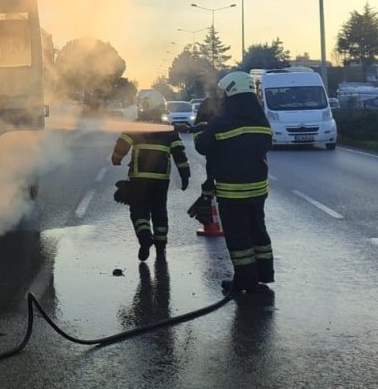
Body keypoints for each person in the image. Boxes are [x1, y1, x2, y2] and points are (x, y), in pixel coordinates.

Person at [193, 71, 274, 295]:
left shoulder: (222, 121)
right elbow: (266, 144)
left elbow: (203, 146)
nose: (222, 98)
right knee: (258, 231)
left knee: (239, 238)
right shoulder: (261, 118)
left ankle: (245, 282)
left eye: (224, 93)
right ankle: (263, 274)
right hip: (258, 190)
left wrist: (200, 131)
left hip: (232, 192)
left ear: (232, 92)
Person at [111, 127, 192, 262]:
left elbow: (122, 144)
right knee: (159, 210)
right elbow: (179, 154)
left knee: (139, 210)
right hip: (161, 179)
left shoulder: (137, 125)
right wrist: (185, 175)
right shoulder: (169, 130)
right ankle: (160, 247)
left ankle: (145, 238)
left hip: (139, 177)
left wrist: (116, 158)